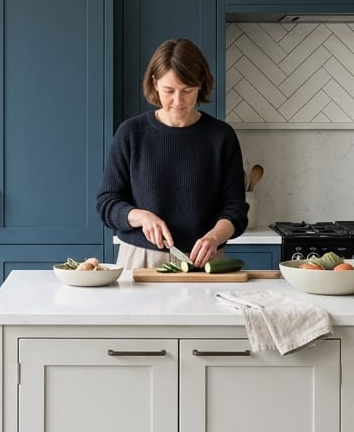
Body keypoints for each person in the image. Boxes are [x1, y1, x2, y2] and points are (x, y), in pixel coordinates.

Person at [96, 38, 249, 270]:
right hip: (141, 260)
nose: (178, 100)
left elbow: (235, 208)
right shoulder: (131, 133)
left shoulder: (221, 137)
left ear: (201, 84)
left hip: (206, 260)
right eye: (169, 90)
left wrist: (215, 237)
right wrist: (141, 216)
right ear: (155, 83)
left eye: (187, 90)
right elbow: (107, 203)